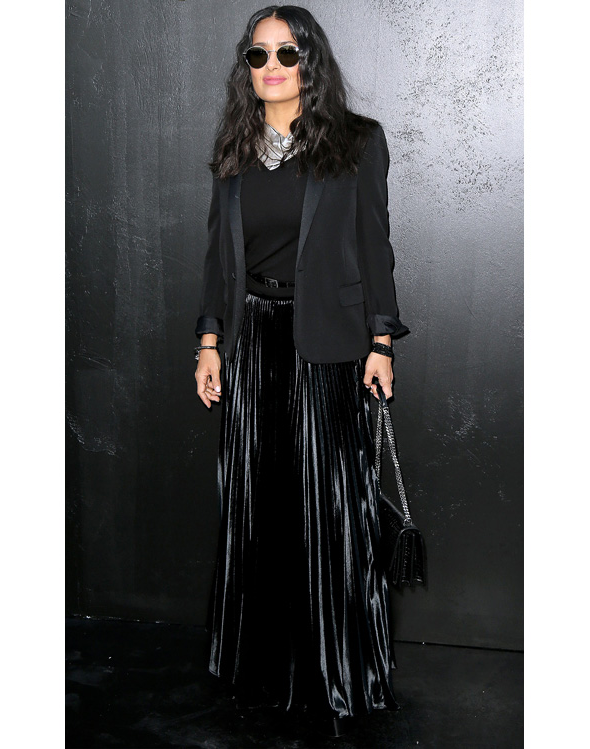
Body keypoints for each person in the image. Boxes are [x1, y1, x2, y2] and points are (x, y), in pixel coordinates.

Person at [193, 4, 409, 738]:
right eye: (258, 55)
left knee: (329, 509)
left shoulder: (356, 142)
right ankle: (259, 669)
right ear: (247, 68)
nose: (273, 66)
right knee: (258, 509)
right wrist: (210, 343)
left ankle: (335, 672)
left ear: (310, 60)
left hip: (327, 343)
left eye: (287, 52)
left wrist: (381, 341)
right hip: (252, 341)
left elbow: (375, 245)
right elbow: (218, 257)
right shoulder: (233, 149)